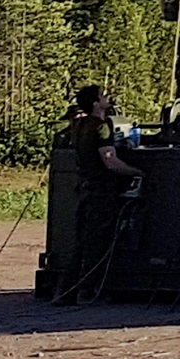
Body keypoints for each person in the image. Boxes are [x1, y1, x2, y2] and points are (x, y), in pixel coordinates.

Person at [67, 84, 142, 294]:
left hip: (84, 187)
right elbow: (110, 161)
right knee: (98, 241)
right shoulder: (102, 126)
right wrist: (138, 172)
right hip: (101, 190)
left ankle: (68, 289)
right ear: (95, 104)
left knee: (82, 239)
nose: (106, 98)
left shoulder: (79, 125)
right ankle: (92, 289)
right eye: (102, 96)